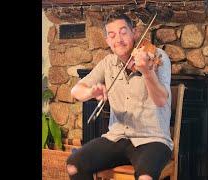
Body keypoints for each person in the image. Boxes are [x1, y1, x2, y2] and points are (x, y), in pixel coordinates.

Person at [67, 12, 172, 180]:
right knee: (74, 165)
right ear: (108, 41)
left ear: (135, 33)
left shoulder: (157, 57)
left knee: (146, 177)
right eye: (112, 35)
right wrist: (91, 92)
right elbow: (76, 91)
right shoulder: (108, 63)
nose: (119, 39)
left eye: (123, 32)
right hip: (117, 137)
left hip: (152, 139)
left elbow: (161, 101)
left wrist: (147, 72)